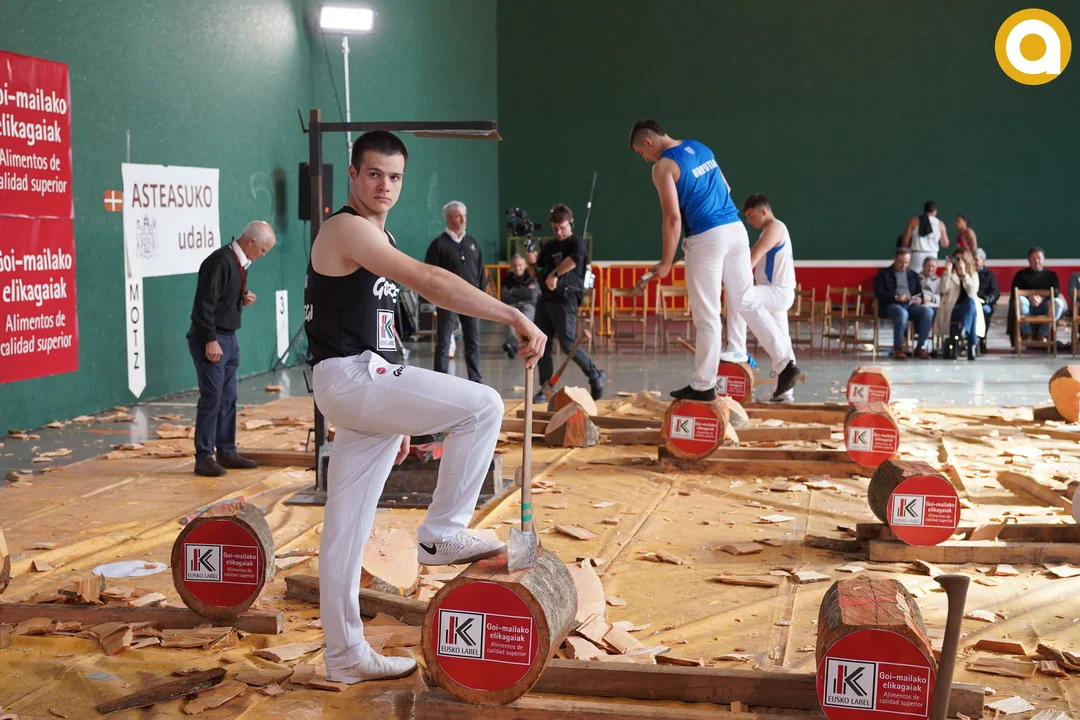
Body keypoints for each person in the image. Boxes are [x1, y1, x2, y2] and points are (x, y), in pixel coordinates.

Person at [304, 131, 546, 684]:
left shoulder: (377, 235)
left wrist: (401, 421)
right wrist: (512, 315)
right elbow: (431, 282)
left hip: (364, 385)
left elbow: (383, 330)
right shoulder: (346, 228)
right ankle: (442, 531)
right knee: (483, 406)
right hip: (352, 376)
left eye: (394, 177)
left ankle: (344, 656)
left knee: (345, 530)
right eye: (373, 174)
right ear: (353, 175)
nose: (384, 186)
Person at [628, 119, 799, 402]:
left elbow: (672, 218)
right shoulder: (700, 147)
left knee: (707, 315)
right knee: (746, 301)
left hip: (706, 237)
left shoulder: (662, 167)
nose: (644, 158)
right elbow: (726, 188)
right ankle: (785, 363)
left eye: (641, 152)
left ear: (649, 141)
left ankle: (703, 385)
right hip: (735, 230)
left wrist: (666, 262)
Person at [187, 221, 276, 477]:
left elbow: (221, 297)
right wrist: (210, 339)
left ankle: (226, 451)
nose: (263, 255)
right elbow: (203, 303)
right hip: (212, 339)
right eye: (262, 250)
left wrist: (242, 297)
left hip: (229, 337)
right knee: (212, 398)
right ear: (251, 242)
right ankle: (204, 457)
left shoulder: (239, 262)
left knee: (228, 398)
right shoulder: (220, 261)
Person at [722, 194, 798, 402]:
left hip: (776, 291)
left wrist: (730, 280)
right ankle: (784, 393)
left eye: (750, 215)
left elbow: (752, 258)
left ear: (763, 211)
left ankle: (737, 349)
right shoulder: (772, 229)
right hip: (776, 293)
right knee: (782, 341)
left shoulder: (775, 228)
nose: (748, 220)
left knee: (736, 294)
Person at [531, 203, 606, 403]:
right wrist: (532, 262)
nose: (559, 232)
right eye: (555, 228)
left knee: (568, 343)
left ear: (571, 223)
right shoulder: (549, 246)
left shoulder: (577, 243)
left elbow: (574, 260)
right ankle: (545, 388)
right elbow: (539, 271)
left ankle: (594, 374)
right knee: (542, 344)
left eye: (562, 228)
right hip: (546, 299)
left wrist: (555, 274)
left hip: (566, 300)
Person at [425, 201, 485, 383]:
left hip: (472, 301)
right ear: (449, 218)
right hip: (447, 301)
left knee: (473, 342)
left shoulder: (473, 243)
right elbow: (429, 274)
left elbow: (481, 272)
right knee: (444, 342)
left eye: (464, 216)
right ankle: (440, 381)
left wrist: (481, 296)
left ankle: (476, 381)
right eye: (459, 216)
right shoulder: (438, 244)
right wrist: (436, 299)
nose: (463, 219)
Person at [873, 248, 933, 359]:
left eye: (906, 262)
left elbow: (919, 294)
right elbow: (878, 292)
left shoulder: (913, 275)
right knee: (901, 313)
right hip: (891, 305)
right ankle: (898, 348)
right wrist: (896, 297)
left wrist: (919, 299)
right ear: (894, 259)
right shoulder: (884, 273)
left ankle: (920, 347)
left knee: (928, 311)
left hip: (910, 305)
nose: (903, 265)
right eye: (900, 262)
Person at [1011, 246, 1067, 342]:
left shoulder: (1051, 275)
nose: (1036, 261)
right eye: (1033, 258)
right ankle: (1027, 333)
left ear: (1044, 259)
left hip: (1045, 306)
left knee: (1058, 303)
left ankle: (1042, 333)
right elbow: (1014, 292)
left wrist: (1042, 299)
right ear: (1028, 260)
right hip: (1027, 306)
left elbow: (1056, 291)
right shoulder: (1021, 275)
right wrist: (1029, 298)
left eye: (1039, 258)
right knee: (1020, 301)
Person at [942, 249, 983, 361]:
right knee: (972, 313)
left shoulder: (973, 274)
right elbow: (943, 289)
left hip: (968, 309)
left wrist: (964, 275)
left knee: (971, 303)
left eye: (961, 259)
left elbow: (973, 291)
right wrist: (947, 272)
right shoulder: (950, 273)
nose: (958, 262)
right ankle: (971, 345)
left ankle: (964, 330)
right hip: (953, 308)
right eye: (956, 259)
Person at [501, 253, 539, 359]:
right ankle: (512, 345)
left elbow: (532, 294)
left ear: (525, 265)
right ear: (511, 266)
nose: (517, 268)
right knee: (510, 318)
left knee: (524, 320)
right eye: (515, 265)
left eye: (520, 265)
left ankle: (512, 345)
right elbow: (504, 297)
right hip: (513, 305)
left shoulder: (532, 276)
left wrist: (513, 291)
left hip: (529, 305)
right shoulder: (507, 279)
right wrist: (524, 291)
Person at [901, 201, 950, 272]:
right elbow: (945, 244)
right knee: (930, 276)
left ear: (924, 210)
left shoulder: (914, 221)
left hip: (917, 255)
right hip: (932, 255)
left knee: (914, 276)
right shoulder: (940, 224)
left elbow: (905, 242)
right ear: (935, 211)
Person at [974, 248, 1000, 353]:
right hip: (971, 302)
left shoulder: (989, 275)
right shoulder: (967, 273)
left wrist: (986, 300)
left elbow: (995, 292)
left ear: (983, 261)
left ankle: (982, 338)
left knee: (985, 311)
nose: (974, 262)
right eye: (972, 260)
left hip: (985, 303)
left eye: (976, 260)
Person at [917, 256, 940, 352]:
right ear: (923, 266)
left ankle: (926, 345)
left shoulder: (939, 281)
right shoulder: (916, 278)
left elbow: (942, 296)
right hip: (919, 305)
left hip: (934, 306)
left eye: (933, 266)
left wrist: (931, 298)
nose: (930, 269)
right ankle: (922, 345)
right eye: (928, 266)